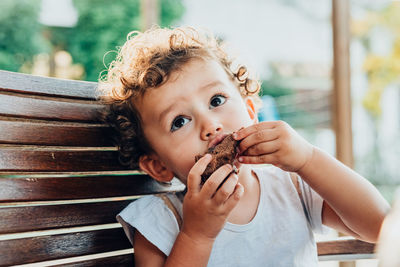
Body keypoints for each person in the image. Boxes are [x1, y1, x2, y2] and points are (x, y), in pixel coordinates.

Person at [98, 26, 389, 267]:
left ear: (251, 111)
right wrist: (196, 236)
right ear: (158, 165)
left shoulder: (292, 186)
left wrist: (308, 159)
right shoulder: (160, 222)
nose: (210, 125)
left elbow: (379, 225)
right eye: (179, 122)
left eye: (216, 101)